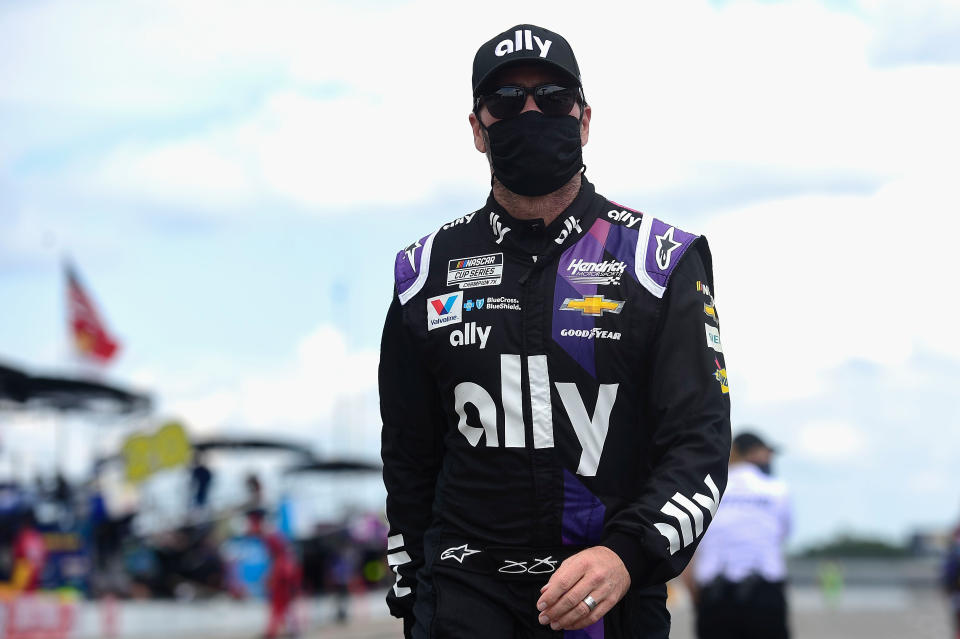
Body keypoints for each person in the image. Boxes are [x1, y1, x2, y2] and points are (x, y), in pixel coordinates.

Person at [379, 23, 731, 638]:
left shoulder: (659, 260)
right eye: (507, 101)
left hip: (605, 598)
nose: (531, 110)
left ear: (585, 118)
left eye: (552, 97)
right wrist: (414, 588)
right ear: (477, 127)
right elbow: (408, 454)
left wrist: (627, 555)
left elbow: (699, 445)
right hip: (464, 597)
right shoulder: (424, 270)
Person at [684, 431, 791, 639]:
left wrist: (695, 594)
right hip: (765, 594)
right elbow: (782, 535)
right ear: (744, 453)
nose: (769, 460)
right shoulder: (778, 490)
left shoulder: (708, 489)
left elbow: (691, 546)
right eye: (765, 453)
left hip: (714, 596)